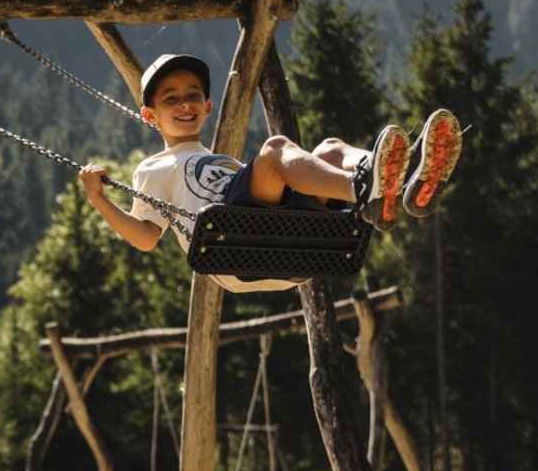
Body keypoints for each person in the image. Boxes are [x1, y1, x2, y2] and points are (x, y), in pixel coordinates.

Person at [79, 53, 462, 293]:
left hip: (287, 245)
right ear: (150, 116)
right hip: (231, 245)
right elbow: (146, 238)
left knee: (329, 147)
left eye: (193, 94)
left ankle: (401, 183)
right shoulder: (154, 167)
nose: (185, 104)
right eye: (171, 98)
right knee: (276, 150)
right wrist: (99, 198)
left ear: (208, 106)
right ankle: (370, 191)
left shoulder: (215, 158)